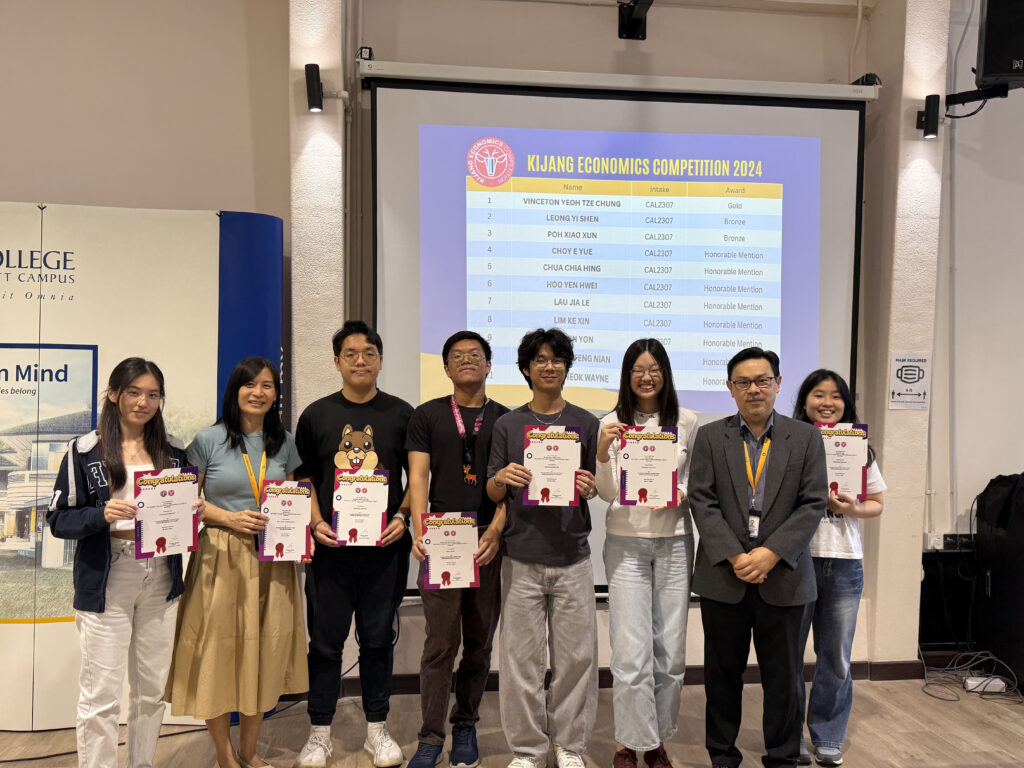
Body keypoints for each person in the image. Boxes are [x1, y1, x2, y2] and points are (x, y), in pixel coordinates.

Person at [47, 357, 197, 768]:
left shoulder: (174, 454)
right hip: (108, 577)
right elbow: (58, 519)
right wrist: (103, 514)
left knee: (150, 691)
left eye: (153, 395)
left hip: (162, 574)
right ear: (113, 394)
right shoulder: (85, 451)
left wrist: (192, 510)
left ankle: (141, 763)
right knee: (101, 696)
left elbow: (182, 519)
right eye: (134, 392)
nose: (143, 402)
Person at [688, 347, 827, 768]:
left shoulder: (805, 437)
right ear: (730, 388)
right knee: (721, 675)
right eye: (744, 382)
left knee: (784, 679)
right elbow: (702, 500)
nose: (754, 389)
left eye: (763, 380)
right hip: (724, 578)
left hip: (783, 577)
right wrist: (735, 555)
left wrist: (770, 553)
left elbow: (813, 503)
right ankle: (723, 755)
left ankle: (783, 757)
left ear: (779, 384)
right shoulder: (712, 437)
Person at [165, 357, 307, 768]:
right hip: (219, 557)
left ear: (276, 395)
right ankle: (225, 755)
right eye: (250, 385)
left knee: (262, 650)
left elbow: (296, 492)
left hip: (272, 559)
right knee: (218, 650)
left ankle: (250, 750)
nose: (258, 392)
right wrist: (228, 517)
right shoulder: (207, 440)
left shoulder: (284, 441)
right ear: (235, 390)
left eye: (267, 385)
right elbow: (186, 502)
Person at [293, 320, 414, 768]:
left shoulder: (403, 414)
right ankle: (319, 732)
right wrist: (316, 520)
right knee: (325, 644)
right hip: (329, 552)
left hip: (385, 551)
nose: (360, 361)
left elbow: (417, 478)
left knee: (378, 640)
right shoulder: (317, 415)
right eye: (350, 354)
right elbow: (302, 476)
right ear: (337, 361)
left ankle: (377, 731)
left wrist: (403, 517)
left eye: (368, 353)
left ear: (380, 360)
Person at [486, 327, 600, 768]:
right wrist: (503, 478)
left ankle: (569, 746)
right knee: (520, 664)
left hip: (572, 556)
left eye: (557, 359)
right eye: (540, 360)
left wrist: (588, 486)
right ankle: (528, 750)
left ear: (567, 367)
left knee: (576, 660)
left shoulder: (587, 423)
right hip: (521, 556)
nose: (549, 366)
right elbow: (495, 491)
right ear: (527, 369)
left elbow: (596, 485)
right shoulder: (508, 425)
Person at [406, 330, 511, 768]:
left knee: (480, 643)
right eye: (457, 356)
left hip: (489, 541)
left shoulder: (505, 419)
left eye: (475, 355)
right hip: (442, 538)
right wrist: (419, 531)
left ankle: (465, 723)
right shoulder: (427, 415)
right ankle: (430, 737)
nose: (467, 361)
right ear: (446, 368)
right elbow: (417, 479)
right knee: (439, 645)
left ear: (489, 365)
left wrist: (497, 531)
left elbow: (512, 486)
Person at [595, 339, 699, 768]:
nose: (646, 376)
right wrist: (602, 450)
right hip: (626, 542)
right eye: (638, 368)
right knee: (630, 650)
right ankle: (627, 743)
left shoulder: (688, 422)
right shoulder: (610, 423)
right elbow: (604, 491)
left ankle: (655, 739)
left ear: (665, 373)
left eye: (654, 368)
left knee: (671, 653)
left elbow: (697, 483)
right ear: (627, 374)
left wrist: (677, 494)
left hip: (674, 540)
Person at [792, 371, 884, 768]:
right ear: (805, 400)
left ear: (846, 404)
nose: (827, 403)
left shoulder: (856, 447)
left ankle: (828, 735)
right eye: (818, 395)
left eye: (836, 397)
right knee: (789, 655)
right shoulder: (787, 442)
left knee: (836, 657)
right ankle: (788, 736)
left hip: (844, 562)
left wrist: (849, 508)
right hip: (796, 559)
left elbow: (877, 502)